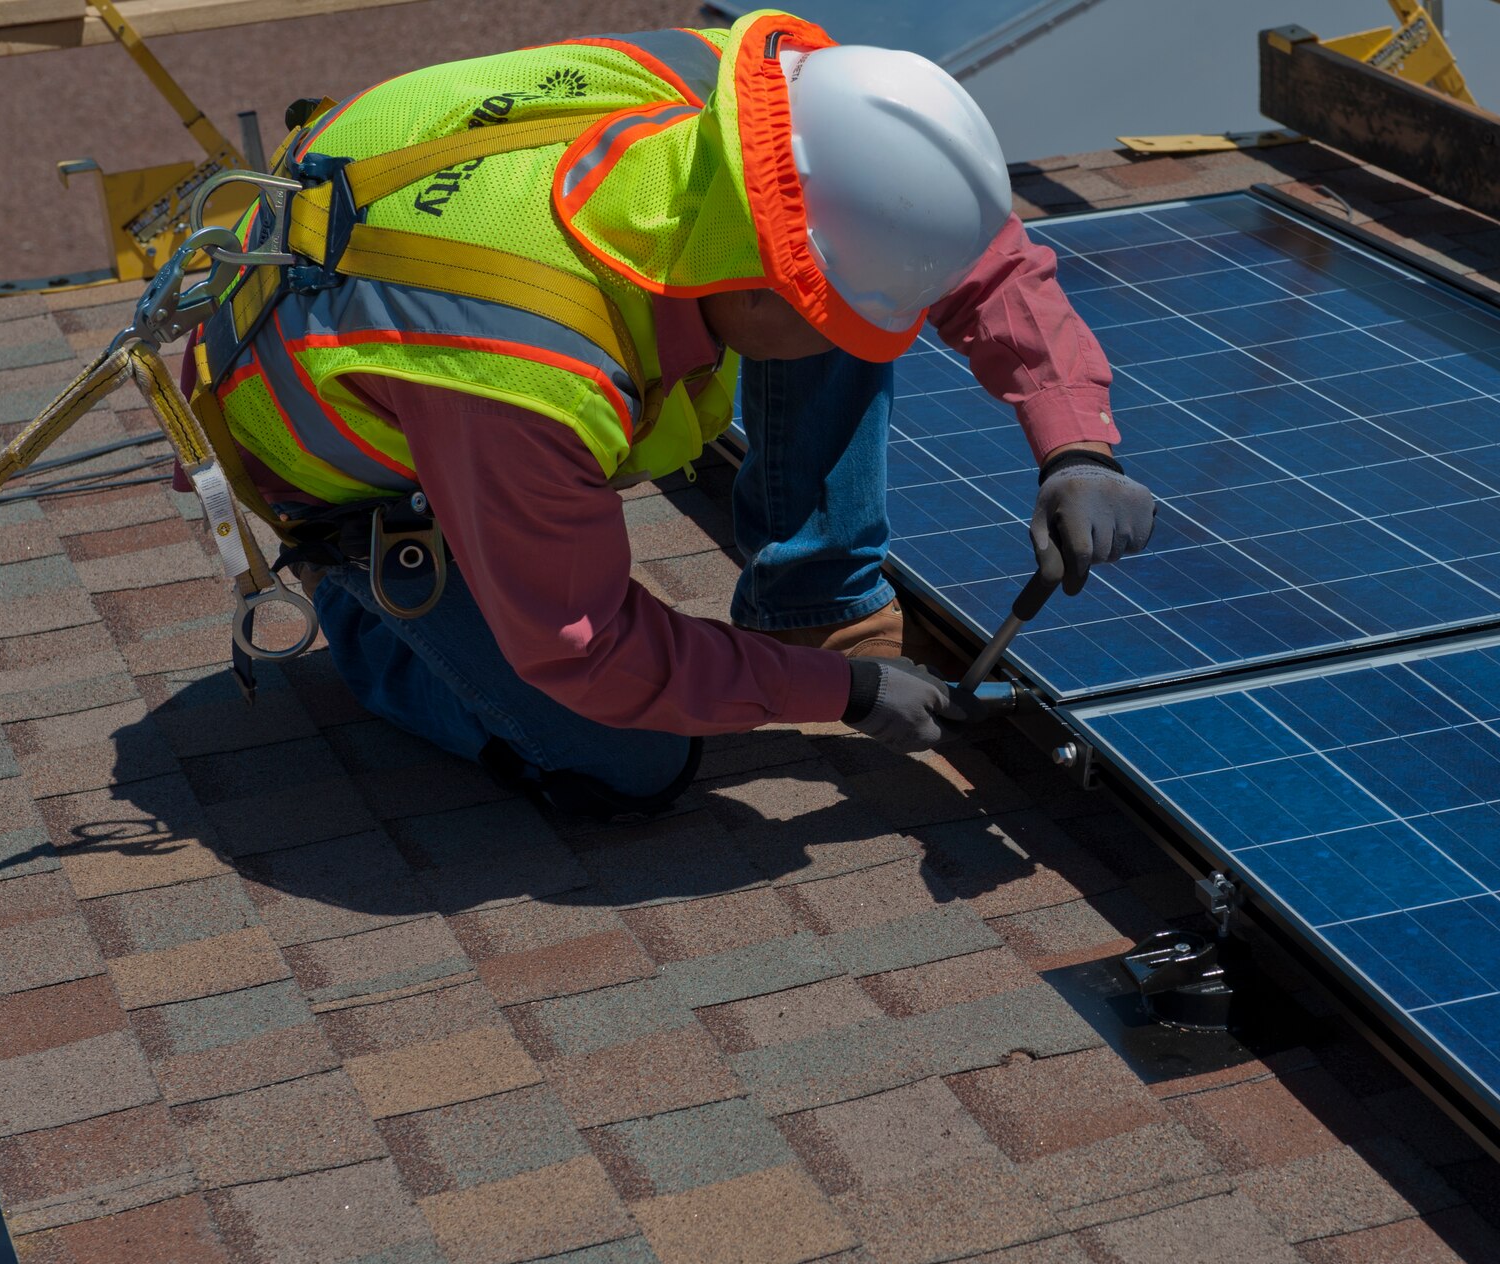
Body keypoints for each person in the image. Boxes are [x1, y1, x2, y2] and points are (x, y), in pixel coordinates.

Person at [187, 11, 1155, 820]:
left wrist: (1074, 441)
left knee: (853, 303)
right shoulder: (527, 372)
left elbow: (943, 228)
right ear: (755, 286)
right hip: (345, 458)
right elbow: (590, 648)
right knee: (627, 758)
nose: (866, 350)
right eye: (828, 319)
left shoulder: (755, 109)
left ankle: (808, 607)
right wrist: (839, 694)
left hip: (410, 291)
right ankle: (371, 611)